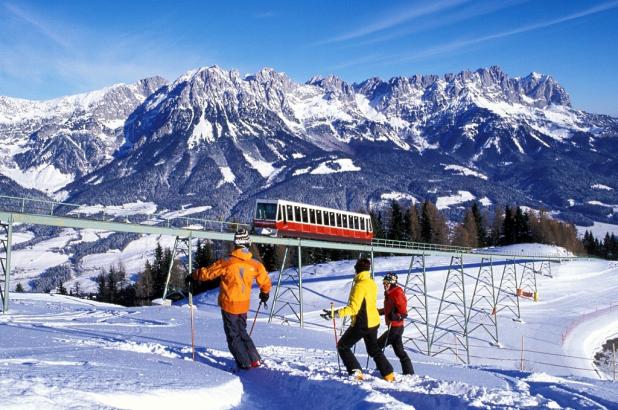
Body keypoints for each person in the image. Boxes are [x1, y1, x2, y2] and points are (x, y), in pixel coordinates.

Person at [191, 228, 271, 370]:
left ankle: (244, 364)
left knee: (233, 336)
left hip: (229, 304)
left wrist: (194, 275)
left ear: (235, 243)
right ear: (247, 243)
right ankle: (254, 361)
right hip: (244, 305)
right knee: (242, 332)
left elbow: (208, 273)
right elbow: (265, 281)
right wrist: (265, 293)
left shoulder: (227, 262)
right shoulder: (255, 264)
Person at [322, 257, 395, 382]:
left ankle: (356, 372)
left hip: (362, 323)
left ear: (357, 270)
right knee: (373, 349)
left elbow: (353, 308)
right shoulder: (371, 282)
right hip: (373, 322)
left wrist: (335, 314)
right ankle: (388, 373)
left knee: (343, 346)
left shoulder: (359, 285)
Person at [377, 272, 414, 375]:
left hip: (395, 328)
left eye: (386, 282)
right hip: (394, 327)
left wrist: (396, 316)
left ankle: (385, 370)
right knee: (400, 352)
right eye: (384, 282)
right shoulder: (389, 292)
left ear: (392, 283)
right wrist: (379, 312)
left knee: (376, 347)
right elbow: (389, 308)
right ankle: (409, 373)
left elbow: (404, 313)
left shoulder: (397, 293)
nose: (384, 284)